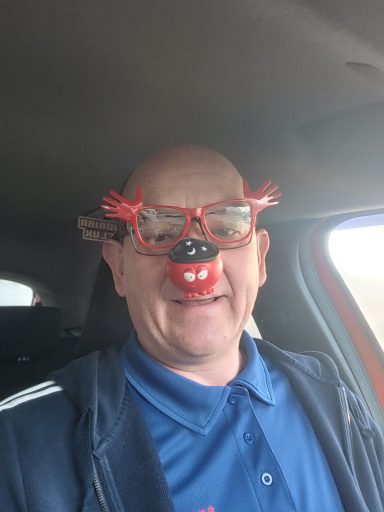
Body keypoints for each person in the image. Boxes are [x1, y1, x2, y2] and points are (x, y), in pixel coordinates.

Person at [0, 145, 383, 511]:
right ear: (119, 268)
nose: (195, 261)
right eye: (160, 233)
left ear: (261, 259)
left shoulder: (332, 395)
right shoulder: (23, 445)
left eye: (228, 226)